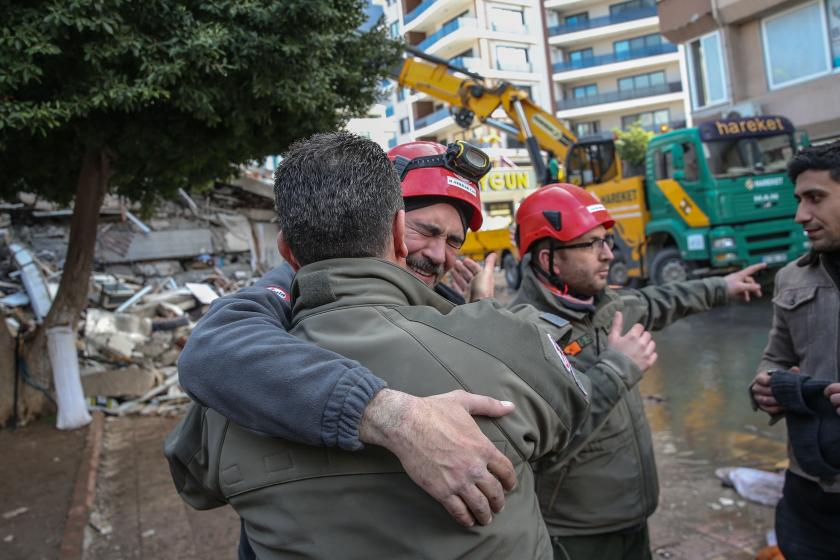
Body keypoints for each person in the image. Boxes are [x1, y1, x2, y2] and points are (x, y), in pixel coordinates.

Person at [167, 131, 596, 558]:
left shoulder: (232, 394)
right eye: (425, 231)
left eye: (453, 242)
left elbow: (194, 479)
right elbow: (570, 406)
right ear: (391, 225)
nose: (439, 255)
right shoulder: (499, 342)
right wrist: (394, 411)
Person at [510, 183, 766, 560]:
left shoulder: (606, 305)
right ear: (548, 258)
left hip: (633, 515)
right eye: (591, 244)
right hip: (579, 534)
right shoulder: (525, 333)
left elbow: (662, 301)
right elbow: (547, 447)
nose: (608, 254)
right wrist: (617, 369)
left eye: (606, 241)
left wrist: (721, 287)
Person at [749, 140, 840, 560]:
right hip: (810, 494)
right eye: (800, 200)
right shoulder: (792, 279)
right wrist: (764, 389)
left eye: (815, 198)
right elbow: (775, 358)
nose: (801, 215)